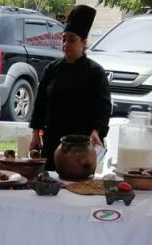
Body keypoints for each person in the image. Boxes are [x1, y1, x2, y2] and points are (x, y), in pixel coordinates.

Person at [29, 5, 111, 169]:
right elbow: (40, 104)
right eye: (64, 39)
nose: (66, 44)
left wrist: (97, 131)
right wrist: (35, 135)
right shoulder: (51, 69)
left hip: (81, 146)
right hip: (52, 142)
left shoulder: (95, 73)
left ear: (84, 42)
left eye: (72, 39)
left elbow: (103, 108)